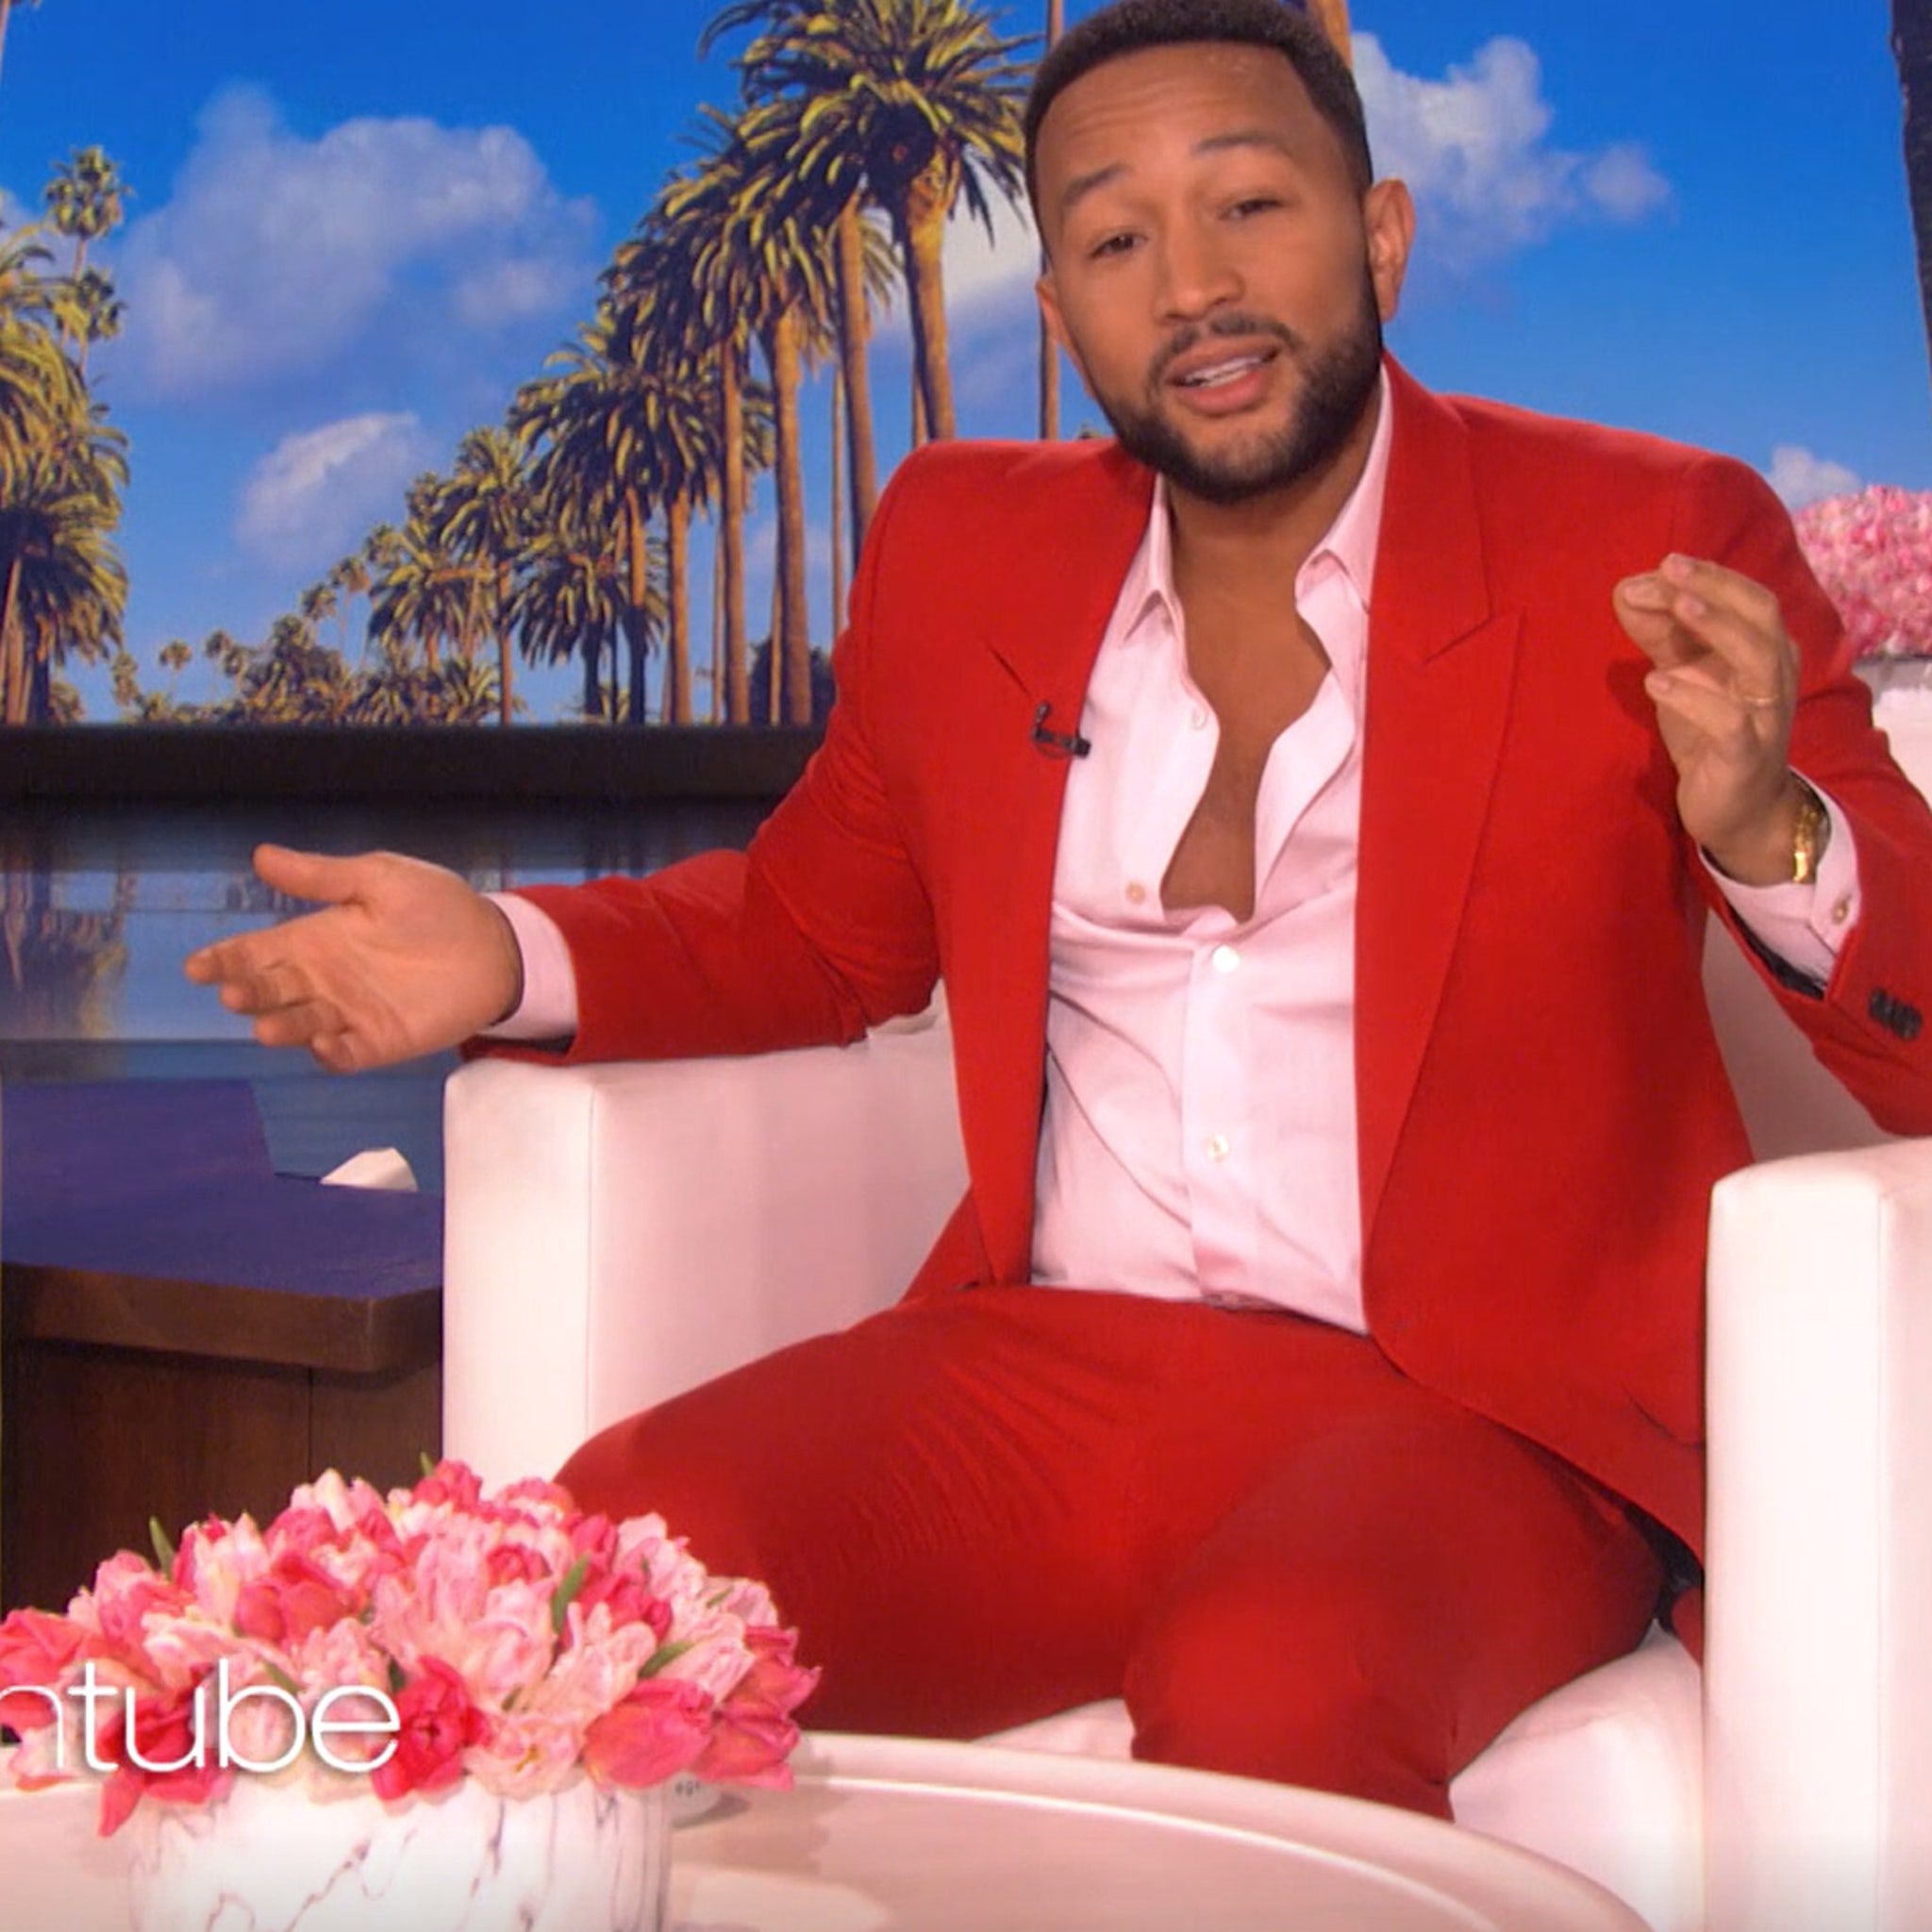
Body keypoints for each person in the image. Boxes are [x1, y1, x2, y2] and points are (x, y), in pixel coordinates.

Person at [187, 0, 1932, 1818]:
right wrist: (506, 953)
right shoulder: (969, 546)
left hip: (1480, 1411)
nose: (1193, 286)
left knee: (1274, 1679)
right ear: (1059, 310)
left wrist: (1770, 831)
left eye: (1248, 205)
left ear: (1383, 235)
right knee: (623, 1566)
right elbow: (813, 933)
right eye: (1115, 240)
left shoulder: (1647, 540)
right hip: (1057, 1364)